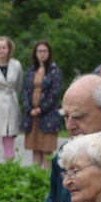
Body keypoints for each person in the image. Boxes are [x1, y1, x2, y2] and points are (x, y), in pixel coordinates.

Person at [21, 41, 62, 169]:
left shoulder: (55, 71)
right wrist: (29, 109)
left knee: (47, 150)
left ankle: (47, 178)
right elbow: (26, 90)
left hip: (48, 116)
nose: (42, 54)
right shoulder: (31, 70)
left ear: (49, 53)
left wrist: (41, 108)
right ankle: (36, 176)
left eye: (45, 51)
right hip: (32, 117)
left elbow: (55, 93)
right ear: (35, 53)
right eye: (40, 51)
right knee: (36, 148)